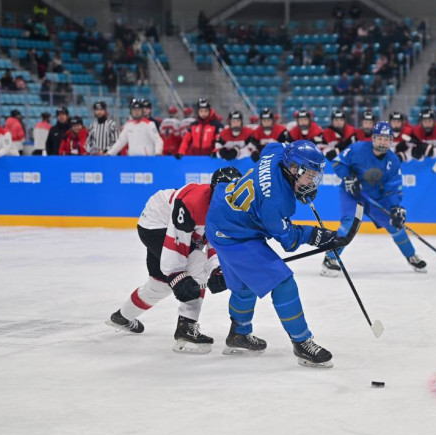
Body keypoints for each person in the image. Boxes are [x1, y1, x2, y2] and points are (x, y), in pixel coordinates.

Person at [205, 140, 343, 367]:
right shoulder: (277, 202)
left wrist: (297, 187)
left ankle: (239, 334)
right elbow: (288, 240)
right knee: (283, 283)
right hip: (234, 234)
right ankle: (302, 342)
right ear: (293, 169)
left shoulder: (276, 154)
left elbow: (273, 145)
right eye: (308, 175)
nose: (312, 180)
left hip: (221, 216)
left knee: (245, 285)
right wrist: (318, 236)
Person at [107, 168, 240, 353]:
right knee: (196, 267)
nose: (228, 197)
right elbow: (175, 244)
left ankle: (122, 317)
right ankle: (186, 328)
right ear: (213, 189)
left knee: (160, 285)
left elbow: (215, 241)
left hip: (172, 227)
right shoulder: (192, 203)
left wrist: (217, 269)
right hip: (156, 224)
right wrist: (178, 275)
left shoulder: (231, 206)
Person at [323, 121, 426, 276]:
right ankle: (330, 259)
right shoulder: (357, 148)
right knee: (349, 225)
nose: (382, 142)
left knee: (395, 225)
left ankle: (411, 255)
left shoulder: (393, 160)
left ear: (391, 141)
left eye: (386, 139)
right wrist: (348, 177)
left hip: (375, 197)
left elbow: (393, 187)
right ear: (373, 138)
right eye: (379, 138)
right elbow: (338, 162)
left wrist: (395, 207)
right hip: (353, 194)